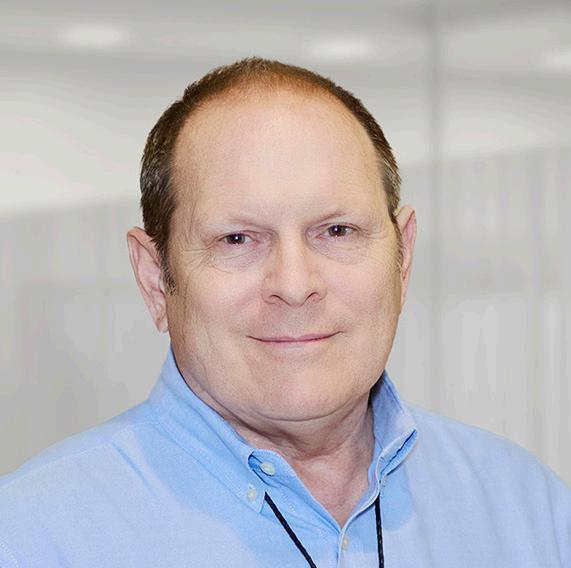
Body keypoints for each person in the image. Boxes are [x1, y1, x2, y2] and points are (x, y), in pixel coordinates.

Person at [0, 57, 569, 568]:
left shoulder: (530, 511)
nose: (295, 286)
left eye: (337, 231)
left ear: (403, 258)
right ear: (155, 278)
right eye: (237, 239)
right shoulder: (30, 538)